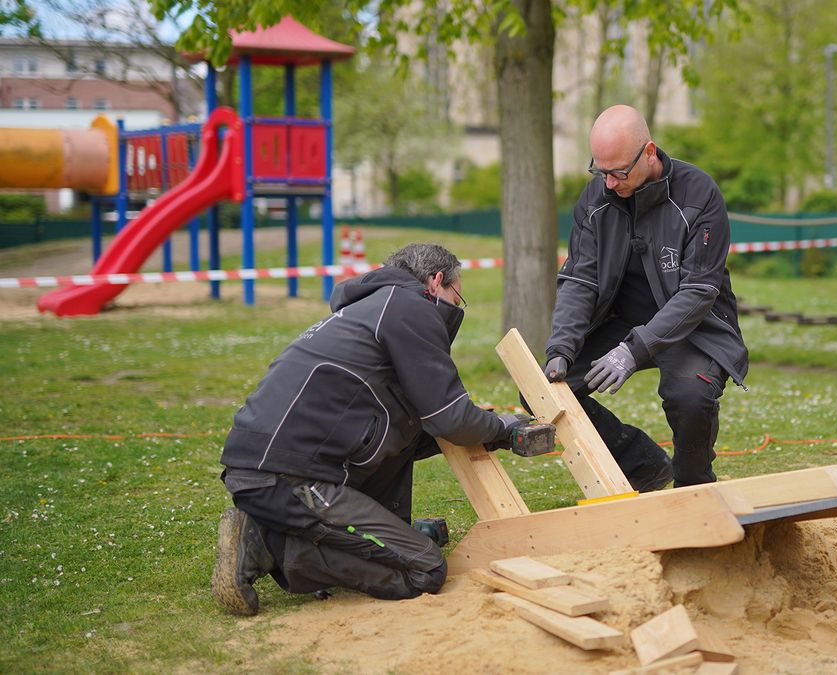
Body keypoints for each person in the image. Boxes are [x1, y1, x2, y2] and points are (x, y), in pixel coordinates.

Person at [211, 243, 530, 616]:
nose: (456, 307)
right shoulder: (411, 308)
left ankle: (293, 534)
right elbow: (450, 418)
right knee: (424, 569)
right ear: (436, 280)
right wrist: (503, 428)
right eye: (456, 295)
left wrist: (490, 432)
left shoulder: (371, 309)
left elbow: (417, 428)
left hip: (271, 466)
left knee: (406, 507)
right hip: (288, 477)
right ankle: (270, 544)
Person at [543, 104, 749, 491]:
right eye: (600, 171)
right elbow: (580, 279)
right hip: (621, 322)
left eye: (619, 172)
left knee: (690, 397)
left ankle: (693, 487)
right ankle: (642, 463)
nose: (609, 183)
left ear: (649, 152)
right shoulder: (595, 200)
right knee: (543, 393)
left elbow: (699, 291)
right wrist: (562, 347)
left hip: (692, 327)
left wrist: (634, 350)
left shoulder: (699, 194)